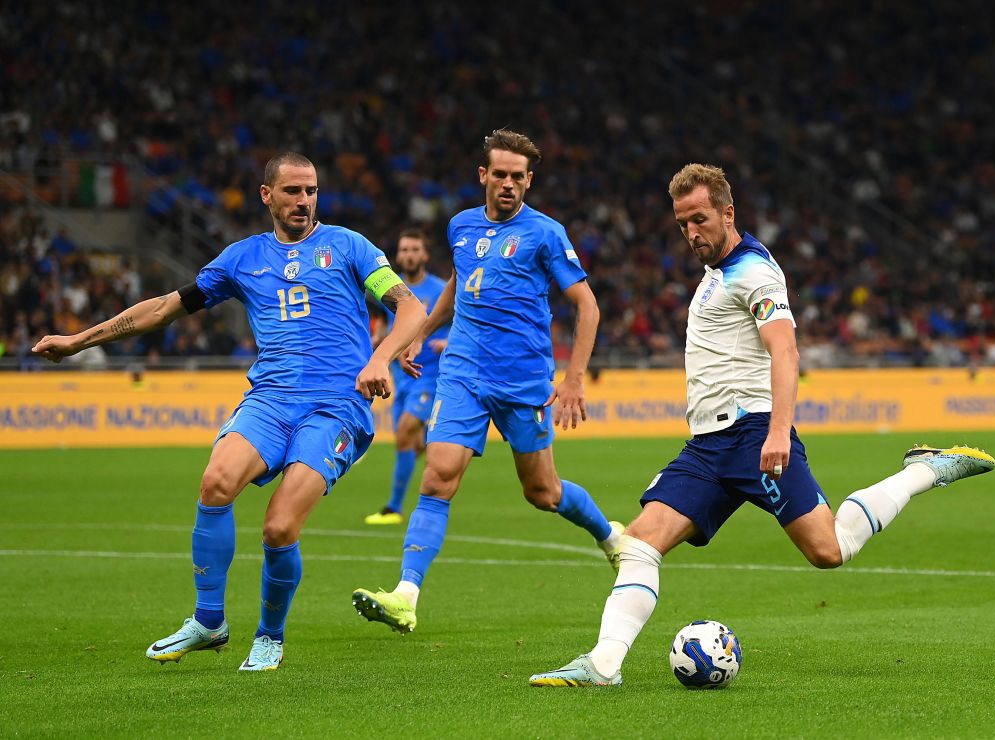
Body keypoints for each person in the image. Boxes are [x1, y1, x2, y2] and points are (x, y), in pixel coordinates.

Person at [528, 164, 995, 687]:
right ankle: (603, 665)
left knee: (829, 551)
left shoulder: (755, 272)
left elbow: (785, 350)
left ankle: (924, 470)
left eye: (700, 220)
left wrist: (778, 431)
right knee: (638, 544)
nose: (691, 233)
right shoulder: (714, 273)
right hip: (707, 447)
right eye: (682, 223)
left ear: (729, 213)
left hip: (753, 435)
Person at [32, 152, 425, 671]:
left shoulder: (348, 247)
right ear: (267, 195)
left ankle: (270, 635)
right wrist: (80, 341)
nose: (304, 201)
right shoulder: (243, 258)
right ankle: (209, 620)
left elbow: (410, 306)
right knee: (215, 482)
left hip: (337, 408)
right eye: (292, 191)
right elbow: (164, 307)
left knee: (279, 528)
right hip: (270, 400)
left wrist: (380, 357)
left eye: (310, 191)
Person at [352, 129, 623, 634]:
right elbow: (459, 281)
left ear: (529, 181)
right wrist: (422, 333)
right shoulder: (459, 226)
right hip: (463, 374)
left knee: (542, 491)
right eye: (499, 174)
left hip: (524, 382)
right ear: (484, 175)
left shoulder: (545, 233)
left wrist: (574, 379)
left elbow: (587, 305)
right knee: (438, 476)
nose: (508, 184)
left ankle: (611, 537)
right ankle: (406, 594)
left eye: (518, 177)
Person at [364, 227, 450, 525]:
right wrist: (379, 340)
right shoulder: (393, 290)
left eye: (415, 249)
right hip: (401, 376)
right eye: (404, 250)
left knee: (403, 433)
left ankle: (394, 508)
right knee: (408, 443)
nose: (409, 255)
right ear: (397, 255)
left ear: (424, 254)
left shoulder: (440, 290)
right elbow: (392, 328)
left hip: (430, 375)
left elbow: (463, 323)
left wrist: (448, 341)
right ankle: (437, 443)